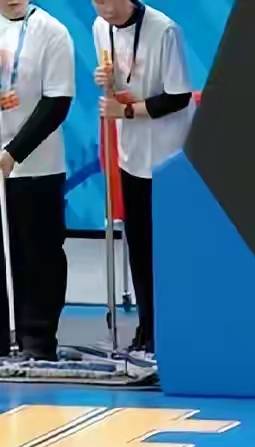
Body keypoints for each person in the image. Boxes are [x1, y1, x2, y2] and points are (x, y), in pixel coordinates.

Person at [92, 0, 196, 357]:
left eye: (110, 0)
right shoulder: (99, 28)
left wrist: (126, 110)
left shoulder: (164, 30)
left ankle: (175, 329)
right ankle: (147, 327)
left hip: (169, 156)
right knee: (139, 247)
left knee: (170, 251)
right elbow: (119, 85)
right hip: (131, 156)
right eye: (97, 1)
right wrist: (107, 84)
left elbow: (178, 96)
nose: (105, 8)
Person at [0, 0, 74, 360]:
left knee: (39, 254)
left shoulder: (52, 32)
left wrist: (13, 153)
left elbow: (57, 102)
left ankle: (38, 340)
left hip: (37, 166)